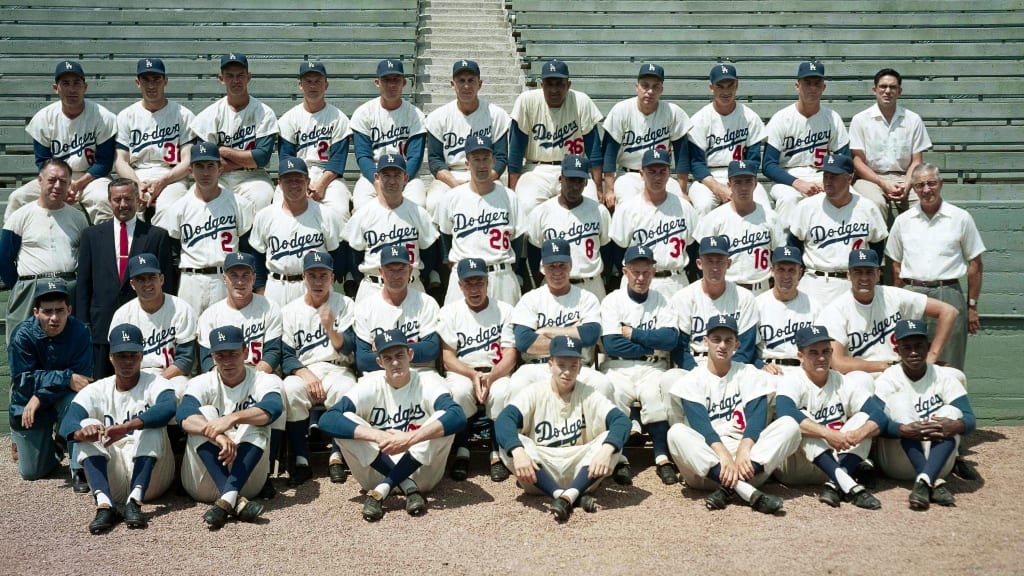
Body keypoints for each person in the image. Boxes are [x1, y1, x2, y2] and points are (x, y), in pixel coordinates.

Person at [317, 329, 467, 522]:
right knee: (345, 419)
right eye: (387, 358)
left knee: (442, 419)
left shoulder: (427, 381)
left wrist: (410, 438)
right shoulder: (370, 384)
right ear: (379, 362)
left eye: (399, 355)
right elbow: (327, 420)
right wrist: (376, 435)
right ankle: (406, 486)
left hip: (422, 472)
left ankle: (384, 489)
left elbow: (458, 416)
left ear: (410, 354)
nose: (395, 362)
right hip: (376, 470)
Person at [665, 315, 801, 513]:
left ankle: (728, 489)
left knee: (790, 424)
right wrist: (724, 457)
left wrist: (744, 450)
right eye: (716, 339)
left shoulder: (748, 373)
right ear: (705, 342)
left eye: (728, 340)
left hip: (748, 463)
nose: (722, 345)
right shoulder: (692, 379)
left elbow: (756, 419)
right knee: (676, 432)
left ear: (736, 344)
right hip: (706, 465)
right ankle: (746, 491)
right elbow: (701, 427)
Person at [495, 335, 631, 522]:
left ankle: (564, 496)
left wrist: (607, 449)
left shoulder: (588, 393)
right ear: (550, 365)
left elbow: (622, 421)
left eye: (573, 366)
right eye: (561, 364)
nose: (567, 372)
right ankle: (571, 496)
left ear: (580, 368)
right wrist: (518, 452)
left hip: (580, 466)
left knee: (611, 441)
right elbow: (504, 420)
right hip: (541, 470)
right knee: (511, 444)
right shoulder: (535, 391)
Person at [59, 323, 177, 533]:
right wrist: (80, 433)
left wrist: (127, 427)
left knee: (151, 425)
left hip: (152, 478)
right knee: (86, 425)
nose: (127, 361)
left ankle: (135, 501)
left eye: (133, 355)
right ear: (111, 357)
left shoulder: (155, 382)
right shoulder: (98, 389)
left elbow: (168, 407)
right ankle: (104, 505)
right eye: (121, 355)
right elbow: (69, 421)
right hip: (115, 474)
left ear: (142, 356)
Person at [177, 325, 283, 529]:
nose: (226, 362)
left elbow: (273, 408)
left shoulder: (263, 380)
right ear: (212, 357)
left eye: (233, 354)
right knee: (204, 416)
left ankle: (228, 497)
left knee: (257, 418)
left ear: (245, 352)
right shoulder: (203, 381)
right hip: (203, 481)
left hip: (247, 477)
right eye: (220, 355)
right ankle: (233, 498)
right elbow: (184, 414)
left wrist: (232, 418)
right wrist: (219, 436)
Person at [886, 163, 985, 371]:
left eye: (931, 183)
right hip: (913, 295)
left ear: (941, 184)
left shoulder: (961, 218)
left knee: (950, 365)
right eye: (920, 185)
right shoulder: (903, 221)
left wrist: (972, 306)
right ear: (914, 189)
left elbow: (975, 263)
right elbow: (895, 266)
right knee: (911, 363)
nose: (926, 189)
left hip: (948, 294)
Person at [773, 325, 884, 509]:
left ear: (832, 352)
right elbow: (785, 411)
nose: (821, 358)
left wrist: (858, 434)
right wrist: (827, 434)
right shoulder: (792, 379)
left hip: (834, 461)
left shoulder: (841, 380)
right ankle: (849, 484)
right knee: (800, 417)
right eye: (813, 353)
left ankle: (836, 482)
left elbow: (879, 415)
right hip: (796, 467)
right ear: (800, 355)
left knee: (865, 419)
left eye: (826, 351)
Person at [76, 178, 174, 379]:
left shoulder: (156, 235)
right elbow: (84, 284)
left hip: (146, 326)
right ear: (109, 201)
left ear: (138, 199)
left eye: (128, 199)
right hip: (102, 326)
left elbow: (167, 284)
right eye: (117, 199)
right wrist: (83, 323)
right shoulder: (91, 236)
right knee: (102, 387)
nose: (123, 205)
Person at [874, 319, 976, 510]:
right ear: (897, 351)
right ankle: (931, 480)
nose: (913, 352)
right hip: (898, 461)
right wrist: (901, 430)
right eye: (907, 347)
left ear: (928, 347)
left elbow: (970, 419)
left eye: (919, 346)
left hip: (937, 461)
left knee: (952, 412)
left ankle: (924, 480)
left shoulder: (944, 376)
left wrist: (956, 426)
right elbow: (872, 422)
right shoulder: (888, 378)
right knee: (899, 402)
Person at [817, 249, 960, 384]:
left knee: (955, 376)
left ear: (878, 274)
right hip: (864, 374)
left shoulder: (893, 295)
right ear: (849, 275)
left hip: (900, 370)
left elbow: (948, 311)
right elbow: (838, 363)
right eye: (858, 272)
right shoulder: (836, 310)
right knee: (861, 381)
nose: (864, 277)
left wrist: (932, 355)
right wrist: (883, 366)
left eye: (869, 272)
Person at [599, 244, 680, 485]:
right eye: (636, 272)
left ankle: (662, 456)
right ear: (625, 272)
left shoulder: (662, 300)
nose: (641, 278)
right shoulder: (612, 300)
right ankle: (620, 458)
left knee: (655, 397)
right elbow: (612, 344)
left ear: (653, 272)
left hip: (652, 367)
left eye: (646, 272)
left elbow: (671, 339)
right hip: (617, 366)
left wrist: (633, 333)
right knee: (613, 394)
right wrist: (652, 342)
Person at [4, 60, 117, 224]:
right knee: (17, 198)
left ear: (85, 87)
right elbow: (43, 162)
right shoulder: (44, 118)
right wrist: (61, 185)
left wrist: (76, 185)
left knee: (103, 199)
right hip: (55, 177)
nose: (71, 89)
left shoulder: (103, 117)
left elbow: (104, 163)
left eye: (77, 83)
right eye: (65, 83)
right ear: (56, 88)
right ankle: (12, 248)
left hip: (92, 178)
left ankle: (108, 248)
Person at [280, 251, 357, 485]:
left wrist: (331, 329)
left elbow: (350, 348)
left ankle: (336, 456)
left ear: (332, 277)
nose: (317, 281)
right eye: (312, 275)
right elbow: (285, 354)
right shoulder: (290, 310)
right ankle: (302, 460)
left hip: (337, 368)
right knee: (290, 390)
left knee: (348, 389)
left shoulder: (345, 304)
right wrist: (303, 372)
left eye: (323, 275)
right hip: (305, 370)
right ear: (303, 277)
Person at [507, 238, 613, 409]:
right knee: (516, 385)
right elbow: (524, 341)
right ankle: (517, 435)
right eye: (551, 266)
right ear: (543, 267)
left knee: (602, 384)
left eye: (562, 265)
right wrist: (573, 332)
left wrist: (546, 331)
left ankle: (599, 434)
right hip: (538, 367)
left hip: (577, 366)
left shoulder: (586, 298)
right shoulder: (531, 299)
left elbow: (591, 335)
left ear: (570, 265)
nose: (557, 271)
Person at [438, 257, 518, 482]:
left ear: (487, 282)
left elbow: (510, 355)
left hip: (497, 370)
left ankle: (496, 452)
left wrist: (491, 377)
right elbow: (447, 358)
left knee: (502, 392)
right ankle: (462, 450)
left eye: (479, 282)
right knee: (460, 393)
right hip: (463, 371)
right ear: (460, 285)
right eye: (469, 283)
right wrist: (473, 376)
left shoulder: (505, 310)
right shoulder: (450, 311)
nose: (475, 288)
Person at [8, 280, 93, 489]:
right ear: (36, 312)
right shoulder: (22, 335)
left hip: (61, 398)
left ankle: (78, 468)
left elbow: (81, 380)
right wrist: (64, 378)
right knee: (32, 472)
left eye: (60, 310)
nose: (54, 318)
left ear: (69, 310)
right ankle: (55, 447)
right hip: (27, 403)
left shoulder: (80, 332)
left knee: (78, 399)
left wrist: (41, 394)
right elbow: (22, 382)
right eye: (47, 311)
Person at [1, 159, 89, 343]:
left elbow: (86, 258)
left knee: (67, 347)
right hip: (30, 288)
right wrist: (21, 286)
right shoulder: (20, 216)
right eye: (52, 180)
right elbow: (4, 259)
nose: (57, 186)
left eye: (63, 181)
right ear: (40, 181)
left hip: (67, 288)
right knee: (23, 344)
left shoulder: (78, 218)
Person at [165, 141, 255, 316]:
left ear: (220, 169)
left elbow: (246, 248)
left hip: (225, 278)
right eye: (199, 166)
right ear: (190, 170)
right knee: (189, 336)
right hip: (190, 280)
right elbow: (173, 253)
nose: (205, 172)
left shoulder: (239, 204)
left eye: (210, 166)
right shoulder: (178, 208)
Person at [436, 134, 525, 305]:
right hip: (463, 277)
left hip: (500, 275)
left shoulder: (509, 197)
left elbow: (518, 240)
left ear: (493, 161)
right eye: (476, 159)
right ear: (467, 164)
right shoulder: (451, 197)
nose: (482, 164)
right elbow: (445, 238)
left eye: (486, 158)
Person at [788, 153, 888, 306]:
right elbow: (794, 245)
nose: (828, 181)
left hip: (852, 283)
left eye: (834, 176)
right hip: (815, 282)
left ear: (849, 178)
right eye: (826, 176)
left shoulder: (867, 208)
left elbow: (877, 247)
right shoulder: (807, 207)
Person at [508, 59, 605, 214]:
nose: (554, 89)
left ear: (568, 85)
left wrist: (599, 188)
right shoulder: (527, 101)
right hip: (536, 170)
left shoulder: (581, 101)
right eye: (549, 84)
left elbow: (594, 150)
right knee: (525, 207)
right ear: (542, 85)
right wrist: (512, 190)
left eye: (559, 84)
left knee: (593, 208)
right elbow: (516, 151)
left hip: (575, 169)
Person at [248, 156, 344, 308]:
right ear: (279, 184)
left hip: (312, 287)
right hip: (276, 286)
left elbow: (337, 256)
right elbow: (257, 257)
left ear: (308, 182)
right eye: (288, 180)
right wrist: (261, 290)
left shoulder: (326, 215)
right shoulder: (265, 215)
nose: (294, 184)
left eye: (299, 179)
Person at [113, 57, 196, 229]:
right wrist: (137, 184)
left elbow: (188, 159)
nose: (151, 85)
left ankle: (165, 255)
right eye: (146, 79)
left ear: (165, 81)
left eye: (157, 79)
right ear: (138, 82)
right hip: (137, 174)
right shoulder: (126, 116)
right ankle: (130, 253)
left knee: (169, 209)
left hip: (172, 174)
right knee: (128, 208)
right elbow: (121, 160)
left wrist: (163, 181)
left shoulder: (183, 115)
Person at [344, 153, 439, 304]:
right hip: (373, 287)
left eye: (397, 175)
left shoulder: (418, 213)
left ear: (406, 178)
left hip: (412, 287)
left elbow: (429, 253)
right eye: (386, 175)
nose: (392, 181)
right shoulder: (363, 214)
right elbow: (354, 255)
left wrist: (421, 275)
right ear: (376, 177)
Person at [763, 61, 850, 226]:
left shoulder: (833, 118)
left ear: (824, 87)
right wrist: (797, 183)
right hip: (788, 178)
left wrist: (830, 181)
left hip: (824, 175)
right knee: (789, 199)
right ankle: (784, 249)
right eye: (807, 83)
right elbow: (768, 165)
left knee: (847, 195)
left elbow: (845, 160)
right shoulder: (781, 118)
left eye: (817, 84)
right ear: (797, 86)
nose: (812, 88)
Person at [189, 53, 278, 211]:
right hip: (218, 177)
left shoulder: (263, 112)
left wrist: (223, 151)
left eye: (240, 75)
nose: (235, 81)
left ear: (248, 77)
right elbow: (205, 161)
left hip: (253, 176)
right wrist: (246, 159)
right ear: (221, 78)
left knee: (262, 197)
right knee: (197, 202)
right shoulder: (210, 115)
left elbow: (261, 158)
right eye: (230, 76)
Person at [424, 59, 511, 220]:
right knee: (435, 202)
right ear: (452, 84)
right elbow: (435, 161)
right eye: (461, 81)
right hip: (451, 175)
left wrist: (482, 180)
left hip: (485, 174)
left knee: (503, 200)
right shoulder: (439, 117)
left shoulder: (496, 115)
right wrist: (455, 185)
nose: (466, 86)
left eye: (471, 80)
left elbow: (501, 158)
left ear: (480, 83)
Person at [608, 148, 698, 299]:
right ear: (642, 174)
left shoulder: (685, 208)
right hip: (639, 282)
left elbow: (693, 246)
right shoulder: (627, 209)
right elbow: (617, 250)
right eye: (652, 171)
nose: (657, 177)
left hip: (675, 281)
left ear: (669, 173)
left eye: (662, 171)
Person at [601, 63, 691, 208]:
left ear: (661, 89)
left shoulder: (673, 112)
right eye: (645, 85)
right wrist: (609, 190)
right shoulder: (621, 110)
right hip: (629, 175)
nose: (650, 91)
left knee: (681, 204)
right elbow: (609, 155)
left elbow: (682, 157)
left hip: (660, 175)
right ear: (637, 87)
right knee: (627, 207)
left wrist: (683, 190)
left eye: (655, 86)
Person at [687, 63, 770, 215]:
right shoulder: (700, 119)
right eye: (720, 86)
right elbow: (696, 164)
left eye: (730, 85)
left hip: (742, 175)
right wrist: (718, 188)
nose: (726, 91)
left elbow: (754, 160)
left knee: (763, 206)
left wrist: (740, 184)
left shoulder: (750, 118)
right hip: (708, 178)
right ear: (711, 87)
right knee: (703, 206)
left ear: (737, 85)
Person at [109, 253, 196, 398]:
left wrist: (156, 382)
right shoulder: (122, 315)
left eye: (152, 277)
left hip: (171, 375)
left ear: (161, 279)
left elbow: (185, 360)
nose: (147, 283)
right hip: (134, 375)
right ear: (132, 284)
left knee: (181, 390)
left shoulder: (181, 309)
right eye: (141, 279)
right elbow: (116, 358)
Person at [276, 61, 353, 222]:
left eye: (318, 81)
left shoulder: (339, 118)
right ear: (300, 85)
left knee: (340, 212)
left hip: (330, 176)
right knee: (279, 211)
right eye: (308, 81)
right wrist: (301, 184)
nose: (313, 86)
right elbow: (286, 159)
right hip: (296, 175)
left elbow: (338, 160)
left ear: (326, 85)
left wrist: (320, 185)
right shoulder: (289, 119)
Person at [527, 154, 611, 298]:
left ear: (586, 183)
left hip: (591, 284)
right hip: (554, 286)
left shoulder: (599, 210)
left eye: (580, 181)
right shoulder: (542, 212)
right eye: (571, 180)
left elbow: (607, 250)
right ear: (561, 179)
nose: (575, 186)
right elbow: (534, 253)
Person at [850, 68, 932, 215]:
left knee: (925, 204)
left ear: (899, 91)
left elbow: (917, 160)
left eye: (893, 87)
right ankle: (879, 239)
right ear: (874, 90)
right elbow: (858, 162)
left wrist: (907, 185)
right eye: (883, 86)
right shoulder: (860, 120)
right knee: (875, 204)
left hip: (905, 177)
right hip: (870, 179)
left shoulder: (913, 119)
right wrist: (883, 183)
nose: (887, 91)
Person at [349, 58, 428, 210]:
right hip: (373, 174)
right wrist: (376, 182)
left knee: (418, 204)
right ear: (377, 82)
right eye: (386, 80)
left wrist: (402, 181)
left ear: (404, 83)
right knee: (361, 206)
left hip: (406, 175)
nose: (391, 84)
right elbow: (363, 156)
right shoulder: (364, 113)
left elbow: (415, 157)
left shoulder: (415, 114)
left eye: (396, 79)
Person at [694, 160, 783, 294]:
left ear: (755, 184)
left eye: (748, 181)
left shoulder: (770, 217)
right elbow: (701, 256)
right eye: (738, 182)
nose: (743, 187)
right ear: (729, 185)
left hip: (761, 289)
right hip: (726, 289)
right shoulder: (713, 218)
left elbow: (779, 254)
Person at [670, 235, 759, 369]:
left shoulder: (744, 297)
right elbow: (680, 349)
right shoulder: (684, 297)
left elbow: (746, 349)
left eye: (720, 261)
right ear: (699, 264)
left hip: (734, 366)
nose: (715, 267)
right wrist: (697, 374)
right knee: (669, 380)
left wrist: (727, 373)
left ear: (728, 264)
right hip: (696, 364)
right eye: (709, 261)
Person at [755, 246, 820, 374]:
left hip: (802, 371)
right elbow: (747, 348)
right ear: (772, 271)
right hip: (768, 370)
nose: (786, 275)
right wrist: (760, 365)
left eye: (791, 270)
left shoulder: (814, 306)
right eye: (781, 270)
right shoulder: (757, 304)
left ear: (800, 273)